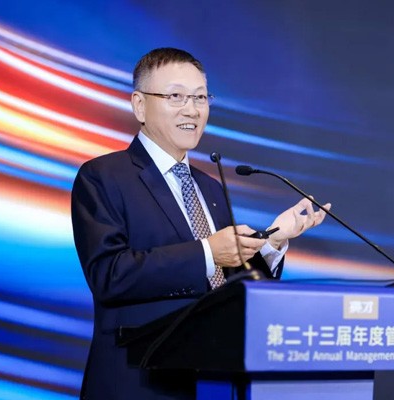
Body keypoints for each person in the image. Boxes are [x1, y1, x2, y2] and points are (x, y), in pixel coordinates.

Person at [71, 47, 330, 400]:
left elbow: (226, 288)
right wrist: (208, 252)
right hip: (138, 382)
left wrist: (272, 242)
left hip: (213, 381)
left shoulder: (209, 186)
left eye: (200, 97)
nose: (192, 110)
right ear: (139, 105)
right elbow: (109, 275)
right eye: (176, 97)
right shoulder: (104, 176)